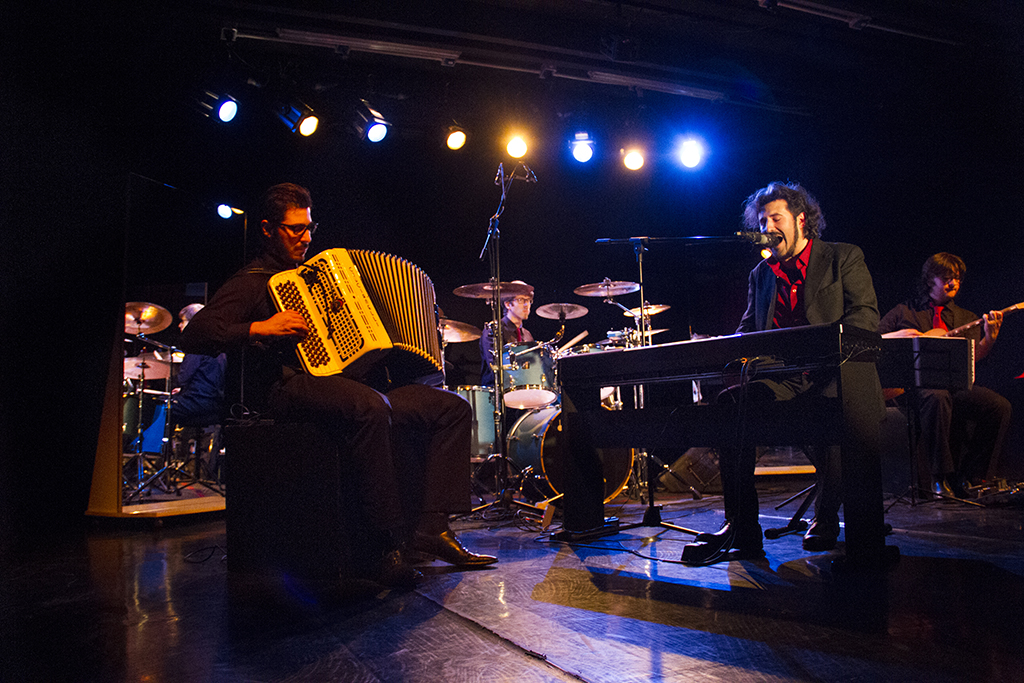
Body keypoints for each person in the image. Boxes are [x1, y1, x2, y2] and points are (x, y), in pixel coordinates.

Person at [180, 182, 496, 588]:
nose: (306, 237)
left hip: (345, 384)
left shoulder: (316, 276)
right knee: (370, 407)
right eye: (295, 229)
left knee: (450, 407)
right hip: (287, 387)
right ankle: (386, 545)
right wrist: (261, 326)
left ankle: (431, 529)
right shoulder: (253, 281)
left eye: (309, 227)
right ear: (267, 229)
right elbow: (195, 334)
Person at [682, 181, 883, 566]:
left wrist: (821, 347)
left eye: (776, 217)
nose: (768, 226)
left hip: (834, 370)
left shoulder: (843, 257)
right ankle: (742, 526)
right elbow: (748, 331)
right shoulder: (762, 273)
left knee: (833, 414)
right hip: (780, 376)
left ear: (801, 220)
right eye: (762, 220)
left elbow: (864, 317)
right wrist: (720, 344)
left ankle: (827, 519)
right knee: (730, 406)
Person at [879, 252, 1011, 497]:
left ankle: (971, 476)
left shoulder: (966, 318)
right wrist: (897, 335)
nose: (953, 283)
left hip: (953, 387)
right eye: (947, 277)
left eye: (957, 278)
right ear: (930, 279)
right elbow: (871, 341)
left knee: (998, 406)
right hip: (911, 389)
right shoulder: (903, 311)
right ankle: (940, 478)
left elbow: (973, 357)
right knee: (936, 396)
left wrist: (989, 340)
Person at [171, 303, 226, 481]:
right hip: (215, 405)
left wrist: (181, 387)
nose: (180, 325)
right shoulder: (219, 346)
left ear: (194, 322)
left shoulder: (196, 344)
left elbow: (183, 377)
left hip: (197, 403)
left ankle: (157, 464)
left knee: (163, 410)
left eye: (183, 321)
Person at [479, 282, 534, 386]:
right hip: (496, 393)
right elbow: (494, 368)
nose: (527, 305)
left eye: (529, 300)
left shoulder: (527, 335)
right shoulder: (493, 330)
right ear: (508, 304)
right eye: (521, 300)